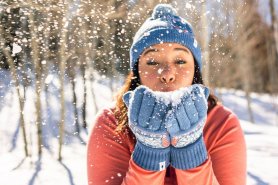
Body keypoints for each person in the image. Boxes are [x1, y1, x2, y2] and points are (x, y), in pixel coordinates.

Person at [87, 4, 246, 185]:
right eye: (153, 62)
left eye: (180, 60)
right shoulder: (111, 124)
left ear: (195, 71)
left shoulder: (222, 124)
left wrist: (190, 151)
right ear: (137, 72)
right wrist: (149, 154)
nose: (167, 73)